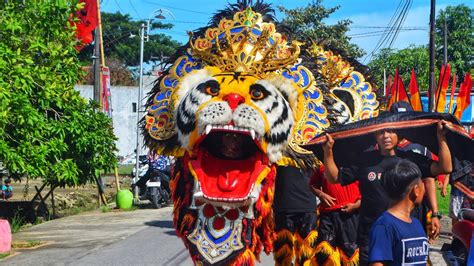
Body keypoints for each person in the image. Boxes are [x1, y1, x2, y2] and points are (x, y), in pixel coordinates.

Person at [322, 120, 452, 265]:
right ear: (375, 136)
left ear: (399, 133)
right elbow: (334, 178)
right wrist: (328, 152)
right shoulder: (364, 160)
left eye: (390, 131)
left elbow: (444, 167)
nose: (385, 136)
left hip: (404, 232)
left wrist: (441, 138)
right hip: (372, 233)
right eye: (380, 132)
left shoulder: (410, 159)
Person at [369, 159, 429, 265]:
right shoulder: (384, 226)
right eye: (422, 185)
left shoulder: (416, 223)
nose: (424, 189)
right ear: (416, 190)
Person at [310, 164, 361, 265]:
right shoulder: (322, 165)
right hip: (327, 216)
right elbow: (312, 184)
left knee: (350, 253)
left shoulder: (354, 164)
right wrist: (321, 194)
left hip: (350, 216)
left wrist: (355, 205)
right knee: (324, 255)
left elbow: (366, 190)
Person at [273, 164, 318, 266]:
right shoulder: (277, 149)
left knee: (307, 256)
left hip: (307, 205)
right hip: (284, 205)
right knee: (283, 257)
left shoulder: (313, 148)